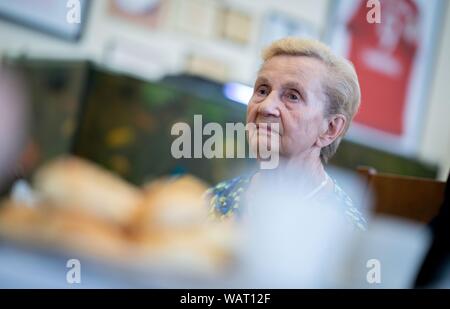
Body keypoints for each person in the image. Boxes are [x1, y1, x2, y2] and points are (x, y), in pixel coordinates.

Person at [207, 37, 367, 231]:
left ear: (330, 128)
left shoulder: (343, 234)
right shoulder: (214, 202)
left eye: (293, 96)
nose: (266, 107)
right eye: (263, 90)